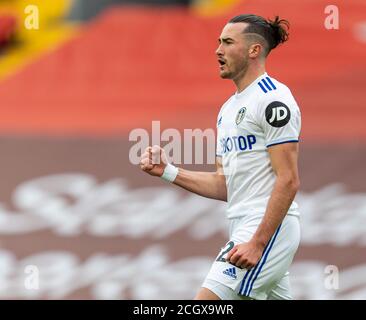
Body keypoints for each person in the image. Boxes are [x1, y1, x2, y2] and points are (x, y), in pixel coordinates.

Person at [139, 14, 301, 300]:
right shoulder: (228, 109)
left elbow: (288, 180)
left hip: (264, 229)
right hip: (243, 225)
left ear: (254, 50)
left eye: (227, 42)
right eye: (218, 42)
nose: (218, 50)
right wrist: (168, 170)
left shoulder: (273, 99)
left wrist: (257, 243)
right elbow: (225, 184)